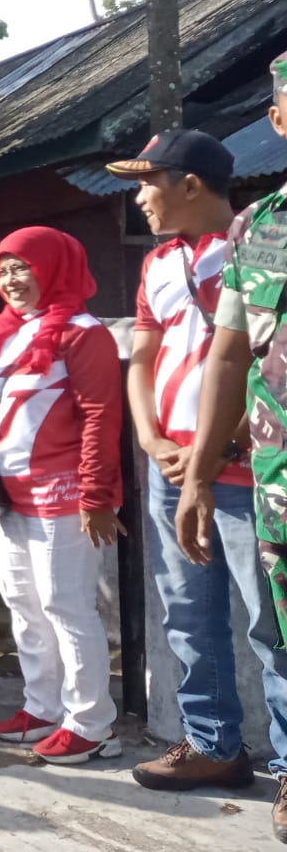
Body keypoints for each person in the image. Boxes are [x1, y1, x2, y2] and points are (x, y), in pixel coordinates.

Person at [108, 131, 287, 791]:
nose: (139, 197)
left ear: (189, 183)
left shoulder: (259, 242)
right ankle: (213, 744)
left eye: (147, 182)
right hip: (171, 469)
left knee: (272, 626)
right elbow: (142, 359)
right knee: (188, 613)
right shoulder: (158, 265)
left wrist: (222, 447)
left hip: (247, 469)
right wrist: (153, 442)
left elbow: (254, 356)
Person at [0, 228, 125, 762]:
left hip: (64, 495)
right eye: (4, 269)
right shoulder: (2, 335)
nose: (12, 280)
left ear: (53, 268)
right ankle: (43, 706)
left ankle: (93, 723)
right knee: (22, 603)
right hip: (7, 494)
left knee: (67, 606)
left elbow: (101, 417)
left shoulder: (84, 334)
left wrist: (96, 496)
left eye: (24, 267)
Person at [178, 63, 287, 840]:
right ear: (279, 122)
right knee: (279, 634)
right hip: (277, 486)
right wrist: (198, 476)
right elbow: (227, 356)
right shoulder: (259, 228)